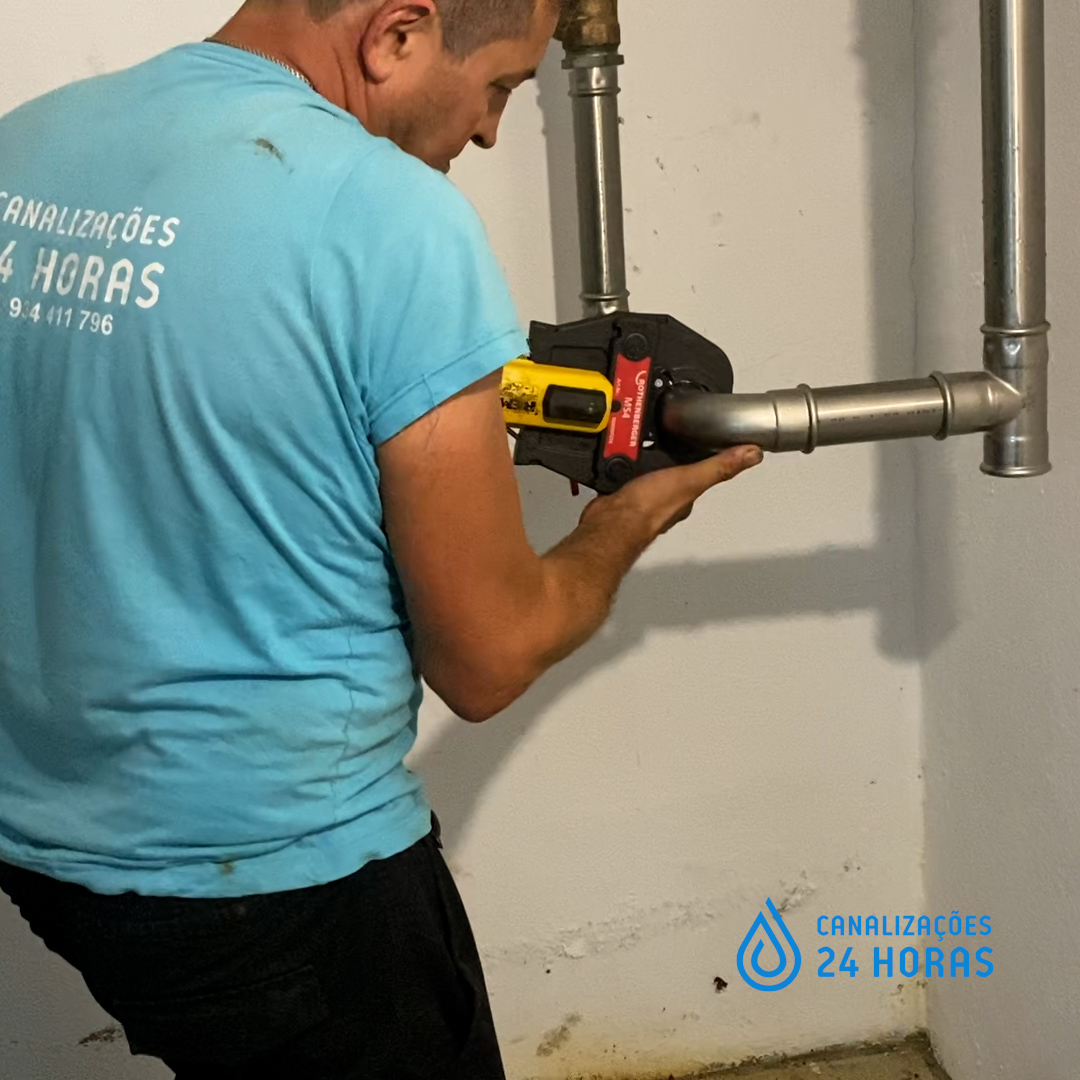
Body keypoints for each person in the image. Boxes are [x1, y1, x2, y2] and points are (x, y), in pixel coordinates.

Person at [0, 0, 763, 1076]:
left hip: (43, 842)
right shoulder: (390, 218)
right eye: (499, 86)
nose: (491, 130)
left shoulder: (29, 144)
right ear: (397, 34)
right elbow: (488, 659)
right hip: (274, 875)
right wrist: (623, 523)